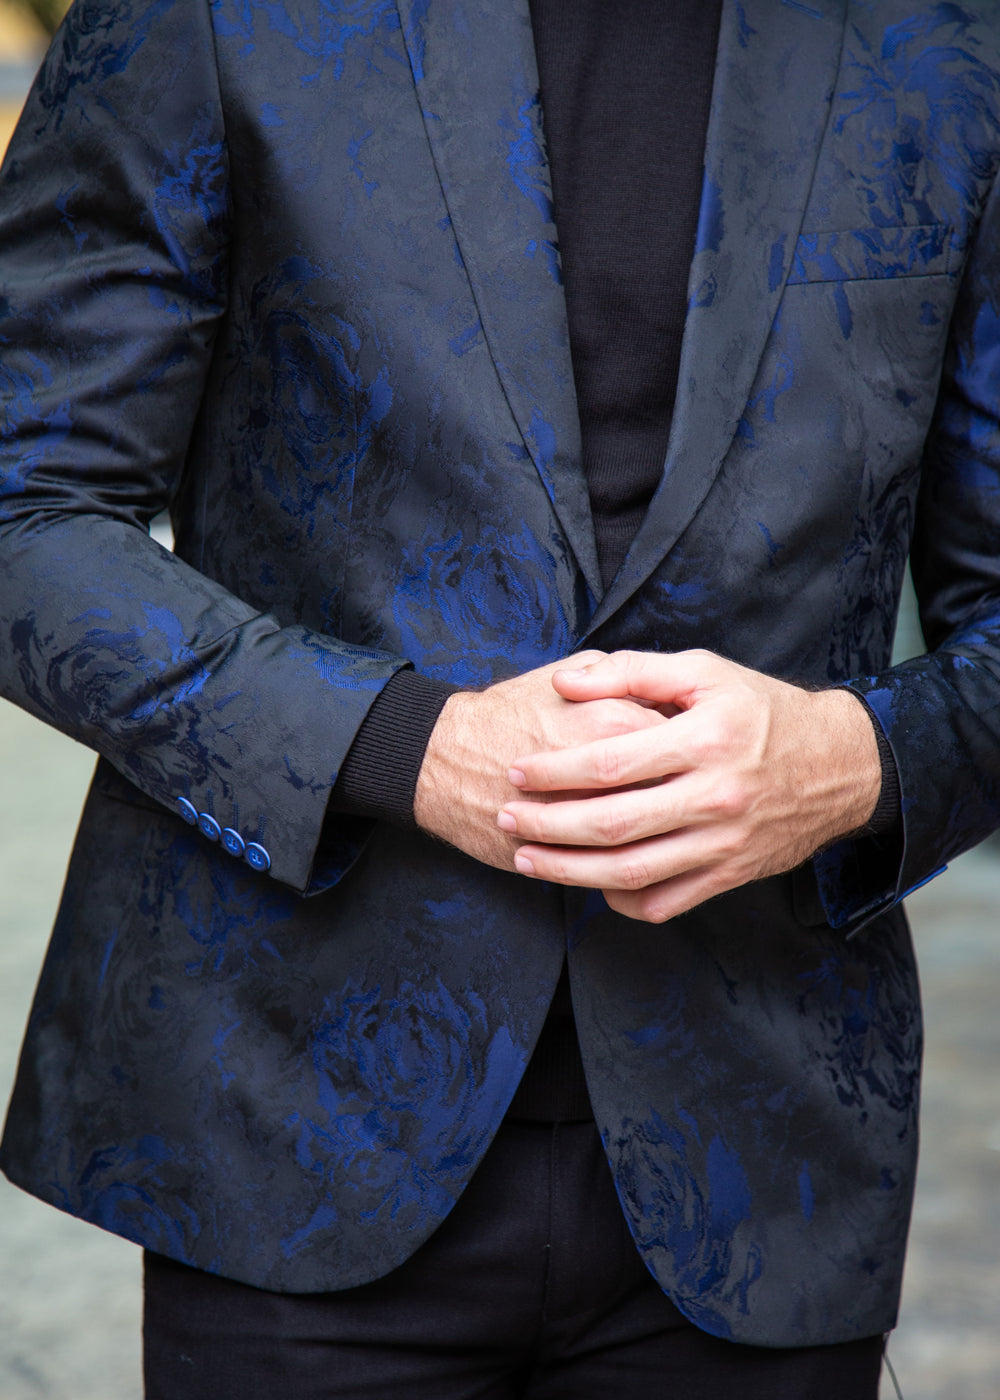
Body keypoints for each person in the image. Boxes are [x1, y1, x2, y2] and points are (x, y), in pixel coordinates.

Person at [2, 0, 1000, 1394]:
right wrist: (404, 746)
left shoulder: (954, 41)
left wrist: (856, 763)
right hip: (291, 1118)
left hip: (763, 1154)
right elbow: (26, 504)